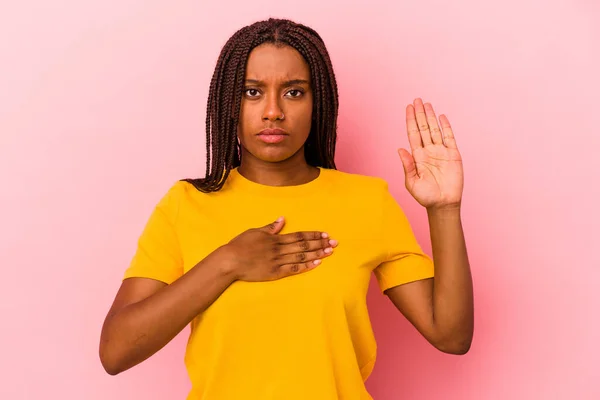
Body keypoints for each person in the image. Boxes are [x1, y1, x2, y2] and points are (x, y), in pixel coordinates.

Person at [99, 17, 474, 400]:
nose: (273, 112)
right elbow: (116, 351)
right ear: (229, 102)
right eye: (252, 92)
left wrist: (444, 210)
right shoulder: (186, 205)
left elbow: (451, 335)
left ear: (318, 101)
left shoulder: (366, 201)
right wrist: (227, 263)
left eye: (294, 92)